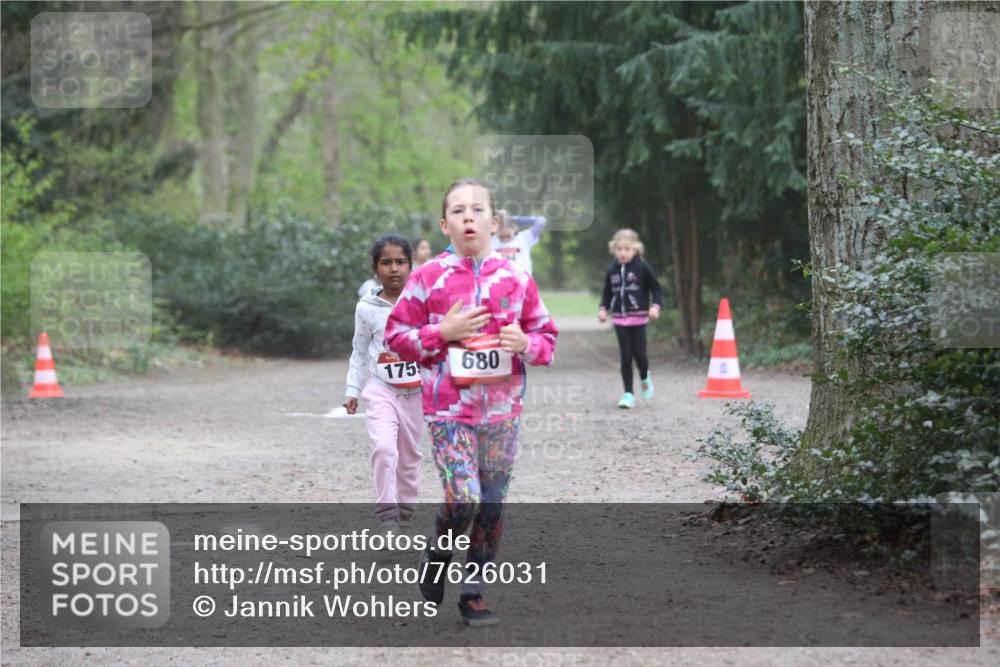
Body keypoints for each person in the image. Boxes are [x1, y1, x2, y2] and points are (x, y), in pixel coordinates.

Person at [385, 178, 558, 627]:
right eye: (458, 210)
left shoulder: (517, 278)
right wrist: (441, 333)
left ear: (494, 222)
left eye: (478, 210)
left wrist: (525, 342)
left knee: (492, 504)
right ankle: (439, 552)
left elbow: (547, 339)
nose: (468, 217)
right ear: (445, 224)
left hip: (503, 412)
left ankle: (474, 591)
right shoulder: (427, 278)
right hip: (448, 411)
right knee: (463, 497)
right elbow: (395, 338)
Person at [344, 235, 423, 532]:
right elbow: (360, 350)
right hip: (381, 388)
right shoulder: (366, 307)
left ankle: (405, 508)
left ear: (410, 265)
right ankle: (387, 514)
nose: (394, 269)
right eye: (386, 262)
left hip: (416, 392)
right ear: (375, 269)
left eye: (400, 262)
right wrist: (353, 389)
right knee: (385, 449)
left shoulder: (421, 301)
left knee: (410, 455)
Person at [598, 228, 663, 409]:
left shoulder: (642, 268)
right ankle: (628, 394)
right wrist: (603, 309)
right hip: (620, 320)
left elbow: (656, 288)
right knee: (626, 356)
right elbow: (606, 293)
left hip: (639, 319)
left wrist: (656, 306)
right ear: (614, 250)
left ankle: (644, 375)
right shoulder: (612, 270)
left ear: (635, 249)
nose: (623, 253)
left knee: (640, 356)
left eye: (627, 249)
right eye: (619, 249)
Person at [491, 209, 547, 275]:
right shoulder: (491, 241)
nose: (505, 240)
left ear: (514, 229)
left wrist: (512, 219)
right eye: (501, 237)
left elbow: (541, 221)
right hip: (499, 281)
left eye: (508, 236)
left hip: (522, 281)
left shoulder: (524, 238)